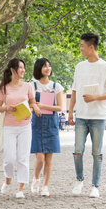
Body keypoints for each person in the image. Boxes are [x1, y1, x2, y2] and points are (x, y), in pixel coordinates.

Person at [68, 33, 106, 198]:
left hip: (98, 117)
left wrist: (94, 97)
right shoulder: (79, 67)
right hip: (81, 115)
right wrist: (70, 111)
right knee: (77, 150)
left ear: (91, 47)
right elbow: (74, 90)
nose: (80, 48)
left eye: (82, 46)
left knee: (97, 153)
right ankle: (79, 179)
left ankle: (95, 186)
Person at [0, 58, 41, 199]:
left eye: (23, 67)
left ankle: (20, 188)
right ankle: (8, 178)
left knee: (22, 158)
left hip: (25, 126)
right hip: (8, 126)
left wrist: (34, 109)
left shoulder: (28, 86)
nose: (23, 70)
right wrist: (7, 107)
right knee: (9, 158)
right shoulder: (4, 88)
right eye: (20, 68)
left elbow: (32, 103)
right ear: (12, 70)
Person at [30, 58, 65, 197]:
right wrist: (35, 106)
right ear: (39, 68)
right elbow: (29, 102)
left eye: (49, 66)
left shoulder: (56, 86)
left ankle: (45, 186)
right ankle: (36, 178)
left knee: (49, 158)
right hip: (37, 123)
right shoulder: (32, 85)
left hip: (51, 124)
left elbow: (60, 107)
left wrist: (43, 106)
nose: (48, 69)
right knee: (40, 158)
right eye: (45, 66)